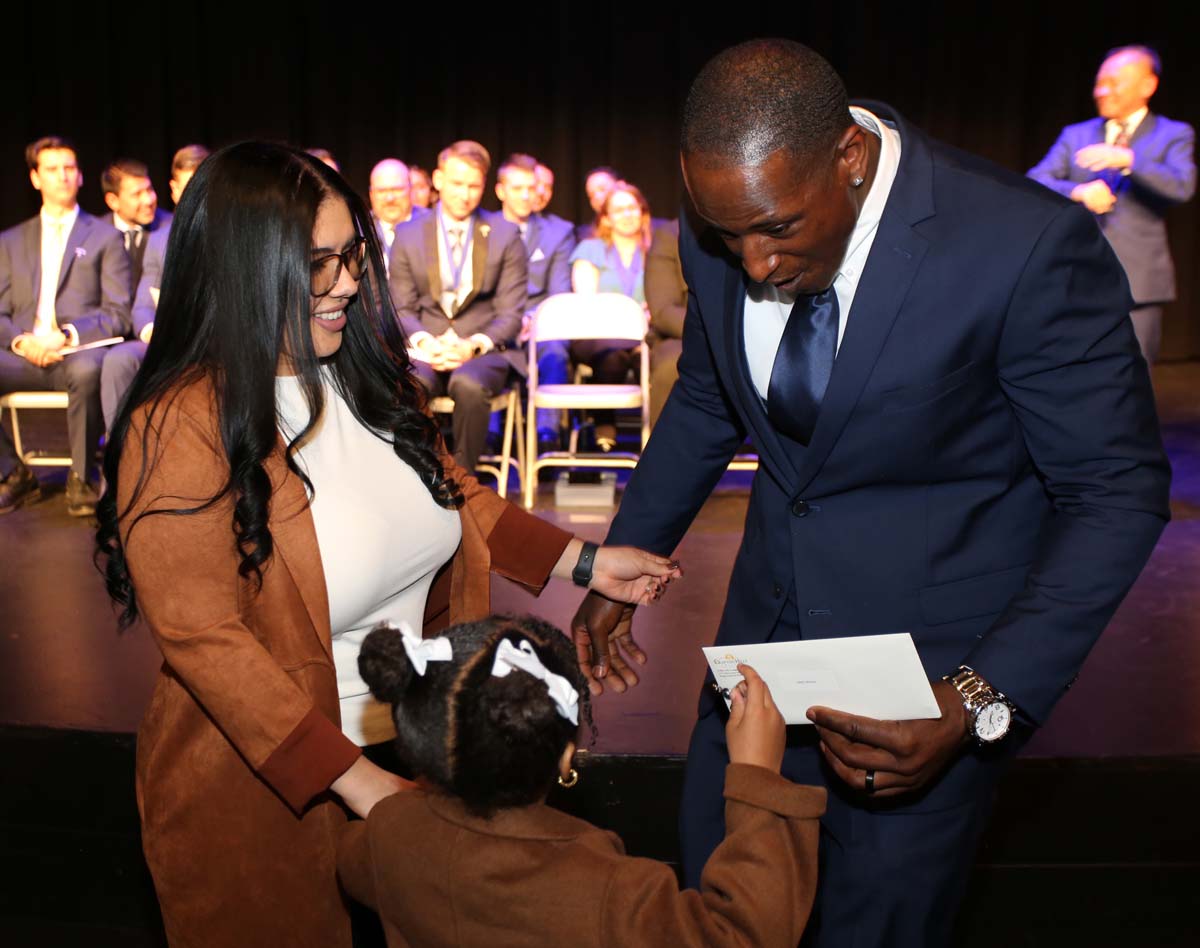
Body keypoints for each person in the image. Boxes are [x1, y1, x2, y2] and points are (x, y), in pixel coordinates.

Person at [571, 39, 1170, 948]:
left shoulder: (1022, 245)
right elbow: (706, 397)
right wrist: (624, 560)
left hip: (925, 696)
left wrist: (973, 696)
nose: (754, 263)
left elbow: (1116, 493)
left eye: (777, 229)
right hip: (760, 666)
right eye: (729, 237)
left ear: (848, 157)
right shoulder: (724, 217)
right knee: (717, 910)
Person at [94, 141, 680, 948]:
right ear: (243, 268)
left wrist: (584, 562)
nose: (345, 283)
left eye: (352, 257)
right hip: (273, 789)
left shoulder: (363, 374)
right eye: (318, 264)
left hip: (410, 763)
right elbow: (206, 640)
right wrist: (360, 782)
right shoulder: (179, 423)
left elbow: (452, 492)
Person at [337, 614, 826, 948]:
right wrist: (758, 778)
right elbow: (742, 934)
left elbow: (355, 863)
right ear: (566, 757)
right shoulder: (610, 892)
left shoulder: (386, 835)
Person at [1027, 44, 1195, 364]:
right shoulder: (1076, 135)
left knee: (1133, 372)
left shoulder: (1173, 134)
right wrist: (1078, 191)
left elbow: (1181, 187)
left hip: (1139, 279)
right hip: (1074, 272)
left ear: (1148, 85)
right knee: (1068, 368)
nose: (1102, 91)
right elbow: (1035, 179)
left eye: (1114, 82)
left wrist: (1129, 159)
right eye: (1099, 82)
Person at [0, 136, 130, 516]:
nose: (62, 176)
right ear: (35, 178)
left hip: (74, 353)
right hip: (25, 354)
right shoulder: (11, 241)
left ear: (81, 176)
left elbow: (118, 312)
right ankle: (13, 473)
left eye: (69, 168)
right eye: (52, 169)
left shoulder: (106, 237)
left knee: (88, 371)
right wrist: (23, 342)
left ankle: (82, 477)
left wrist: (66, 336)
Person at [390, 140, 528, 472]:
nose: (464, 194)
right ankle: (420, 476)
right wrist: (427, 343)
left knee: (468, 385)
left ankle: (463, 483)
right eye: (456, 183)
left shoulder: (505, 234)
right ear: (438, 180)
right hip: (427, 348)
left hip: (483, 350)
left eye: (473, 186)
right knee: (410, 386)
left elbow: (510, 312)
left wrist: (472, 346)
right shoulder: (408, 234)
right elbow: (400, 306)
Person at [101, 145, 209, 430]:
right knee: (119, 360)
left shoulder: (235, 233)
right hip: (167, 341)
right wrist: (152, 331)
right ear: (175, 191)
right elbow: (143, 306)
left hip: (213, 341)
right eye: (189, 187)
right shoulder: (160, 240)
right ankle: (119, 451)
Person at [487, 152, 575, 446]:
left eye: (531, 188)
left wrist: (530, 319)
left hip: (538, 322)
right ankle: (489, 435)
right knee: (486, 347)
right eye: (517, 188)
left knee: (555, 350)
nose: (526, 196)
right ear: (501, 191)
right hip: (495, 321)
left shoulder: (558, 232)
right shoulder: (484, 228)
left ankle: (547, 436)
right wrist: (508, 321)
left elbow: (559, 291)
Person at [569, 180, 652, 450]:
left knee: (649, 356)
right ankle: (604, 420)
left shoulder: (656, 250)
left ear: (642, 212)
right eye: (618, 210)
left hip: (646, 334)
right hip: (597, 332)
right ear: (606, 218)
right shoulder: (590, 249)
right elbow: (587, 302)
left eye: (632, 208)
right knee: (614, 355)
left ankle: (658, 433)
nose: (627, 215)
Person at [643, 218, 687, 427]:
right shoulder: (671, 235)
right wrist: (720, 336)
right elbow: (663, 311)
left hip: (753, 335)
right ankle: (668, 448)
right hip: (685, 334)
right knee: (673, 365)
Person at [368, 158, 429, 276]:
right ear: (371, 194)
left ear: (411, 190)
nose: (390, 198)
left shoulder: (432, 224)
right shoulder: (359, 228)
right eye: (382, 191)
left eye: (397, 190)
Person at [574, 164, 620, 242]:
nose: (597, 197)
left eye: (602, 189)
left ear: (620, 185)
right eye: (591, 195)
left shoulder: (641, 226)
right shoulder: (584, 236)